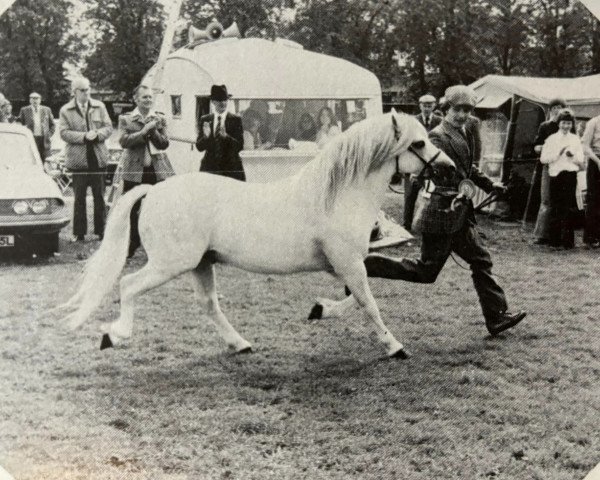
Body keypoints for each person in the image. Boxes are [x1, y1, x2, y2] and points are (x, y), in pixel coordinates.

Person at [364, 85, 527, 337]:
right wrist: (467, 189)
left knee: (481, 260)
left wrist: (489, 184)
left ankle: (496, 317)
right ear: (447, 109)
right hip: (441, 214)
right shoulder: (439, 136)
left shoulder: (465, 133)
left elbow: (467, 168)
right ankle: (367, 266)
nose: (463, 114)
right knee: (425, 271)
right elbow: (447, 176)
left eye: (467, 110)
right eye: (458, 109)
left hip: (458, 215)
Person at [118, 84, 175, 257]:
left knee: (158, 208)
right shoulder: (126, 119)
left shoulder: (159, 119)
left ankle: (156, 244)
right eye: (144, 97)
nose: (148, 100)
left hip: (156, 170)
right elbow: (123, 141)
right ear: (136, 99)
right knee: (132, 208)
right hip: (134, 170)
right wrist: (143, 132)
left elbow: (164, 143)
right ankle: (131, 243)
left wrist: (153, 131)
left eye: (150, 97)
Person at [59, 77, 112, 242]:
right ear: (74, 91)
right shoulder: (65, 110)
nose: (86, 92)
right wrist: (84, 136)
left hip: (97, 158)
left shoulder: (100, 106)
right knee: (79, 198)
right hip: (78, 161)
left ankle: (102, 232)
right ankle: (79, 233)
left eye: (88, 89)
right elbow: (63, 133)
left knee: (100, 197)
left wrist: (97, 134)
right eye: (82, 90)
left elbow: (109, 127)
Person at [540, 109, 585, 249]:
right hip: (556, 175)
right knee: (556, 207)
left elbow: (581, 160)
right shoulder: (552, 139)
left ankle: (568, 242)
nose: (566, 126)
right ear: (559, 123)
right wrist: (558, 154)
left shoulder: (575, 139)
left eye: (569, 123)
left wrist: (573, 157)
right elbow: (543, 159)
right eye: (564, 123)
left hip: (570, 175)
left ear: (572, 124)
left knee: (569, 208)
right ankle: (554, 241)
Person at [531, 98, 571, 246]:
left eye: (560, 107)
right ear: (550, 110)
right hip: (548, 165)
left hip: (565, 166)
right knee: (546, 199)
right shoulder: (545, 126)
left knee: (561, 200)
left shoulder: (568, 125)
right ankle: (541, 234)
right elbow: (536, 144)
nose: (557, 110)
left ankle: (559, 235)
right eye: (554, 107)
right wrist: (540, 148)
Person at [404, 94, 444, 230]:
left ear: (434, 106)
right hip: (415, 164)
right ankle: (407, 225)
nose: (427, 108)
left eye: (430, 105)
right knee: (410, 195)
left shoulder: (440, 121)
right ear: (420, 106)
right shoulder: (412, 121)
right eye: (424, 105)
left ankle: (431, 224)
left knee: (434, 195)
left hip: (433, 164)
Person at [196, 84, 245, 181]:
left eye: (225, 100)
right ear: (213, 102)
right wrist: (205, 137)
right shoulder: (205, 119)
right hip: (211, 169)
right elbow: (199, 147)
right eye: (219, 100)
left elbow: (240, 146)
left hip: (231, 170)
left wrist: (226, 137)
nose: (223, 103)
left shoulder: (236, 120)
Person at [17, 92, 56, 162]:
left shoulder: (47, 110)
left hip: (44, 139)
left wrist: (48, 135)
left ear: (40, 100)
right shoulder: (24, 110)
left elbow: (52, 124)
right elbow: (20, 123)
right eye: (33, 98)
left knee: (45, 160)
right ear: (30, 100)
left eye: (37, 98)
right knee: (32, 159)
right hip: (31, 138)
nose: (35, 100)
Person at [581, 113, 600, 249]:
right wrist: (598, 161)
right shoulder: (593, 122)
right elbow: (585, 146)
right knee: (594, 199)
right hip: (596, 161)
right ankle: (592, 237)